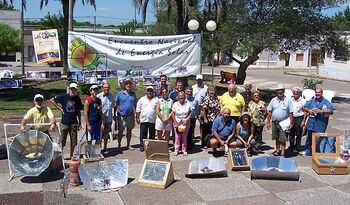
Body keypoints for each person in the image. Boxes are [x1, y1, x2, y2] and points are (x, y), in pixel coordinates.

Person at [50, 82, 83, 157]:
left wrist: (80, 123)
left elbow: (78, 111)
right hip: (64, 122)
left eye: (74, 89)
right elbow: (52, 100)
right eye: (71, 89)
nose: (72, 91)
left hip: (73, 122)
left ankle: (71, 154)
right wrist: (60, 108)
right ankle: (60, 154)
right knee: (62, 140)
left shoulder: (77, 99)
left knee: (73, 141)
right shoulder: (64, 97)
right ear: (69, 89)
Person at [300, 88, 334, 156]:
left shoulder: (325, 102)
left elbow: (331, 111)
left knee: (319, 138)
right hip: (311, 123)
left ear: (322, 93)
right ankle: (308, 151)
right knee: (309, 138)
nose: (317, 94)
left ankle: (318, 152)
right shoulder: (312, 100)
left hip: (320, 124)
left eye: (319, 92)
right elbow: (305, 106)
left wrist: (321, 111)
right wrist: (309, 111)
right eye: (316, 92)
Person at [267, 85, 294, 157]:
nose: (280, 92)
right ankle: (277, 151)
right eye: (278, 90)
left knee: (283, 138)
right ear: (276, 91)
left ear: (284, 91)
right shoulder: (273, 100)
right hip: (275, 122)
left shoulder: (288, 100)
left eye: (281, 90)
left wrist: (291, 123)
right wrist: (268, 122)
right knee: (276, 138)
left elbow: (291, 112)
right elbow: (270, 111)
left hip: (284, 122)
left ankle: (283, 153)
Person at [114, 79, 137, 150]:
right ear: (124, 85)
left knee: (129, 130)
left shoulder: (133, 94)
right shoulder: (120, 94)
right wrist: (114, 114)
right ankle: (119, 145)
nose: (128, 85)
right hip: (121, 115)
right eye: (127, 84)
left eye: (129, 84)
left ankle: (128, 145)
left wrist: (137, 114)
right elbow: (116, 104)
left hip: (130, 115)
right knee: (120, 131)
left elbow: (135, 104)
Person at [136, 86, 158, 152]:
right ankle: (142, 146)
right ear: (146, 91)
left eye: (151, 91)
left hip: (152, 120)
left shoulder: (156, 99)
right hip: (144, 119)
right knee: (143, 134)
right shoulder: (142, 99)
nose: (149, 92)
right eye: (148, 91)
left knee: (152, 135)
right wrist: (137, 117)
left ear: (153, 92)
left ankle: (151, 147)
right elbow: (138, 109)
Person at [171, 91, 192, 156]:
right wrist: (175, 123)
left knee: (184, 136)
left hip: (185, 122)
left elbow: (190, 113)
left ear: (184, 97)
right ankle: (176, 150)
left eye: (182, 96)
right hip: (177, 121)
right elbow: (172, 114)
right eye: (180, 96)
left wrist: (186, 121)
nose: (181, 97)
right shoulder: (175, 104)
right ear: (178, 97)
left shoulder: (188, 103)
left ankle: (184, 150)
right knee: (177, 137)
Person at [97, 83, 114, 153]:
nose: (106, 89)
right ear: (102, 88)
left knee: (107, 133)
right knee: (100, 134)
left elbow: (112, 106)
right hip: (101, 119)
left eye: (107, 87)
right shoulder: (99, 96)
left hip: (109, 118)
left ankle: (105, 147)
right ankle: (99, 148)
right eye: (105, 87)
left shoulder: (111, 96)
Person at [288, 87, 306, 152]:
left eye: (297, 92)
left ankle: (297, 146)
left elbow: (305, 111)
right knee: (291, 132)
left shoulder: (302, 100)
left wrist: (303, 121)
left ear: (299, 93)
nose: (295, 93)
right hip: (292, 117)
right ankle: (291, 145)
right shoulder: (290, 100)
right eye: (294, 92)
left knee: (298, 133)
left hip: (299, 117)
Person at [192, 74, 208, 140]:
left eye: (200, 80)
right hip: (194, 107)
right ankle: (192, 134)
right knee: (193, 121)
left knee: (201, 122)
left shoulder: (206, 88)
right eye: (198, 80)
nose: (199, 81)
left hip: (202, 107)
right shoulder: (193, 87)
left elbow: (207, 97)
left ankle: (201, 135)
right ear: (196, 80)